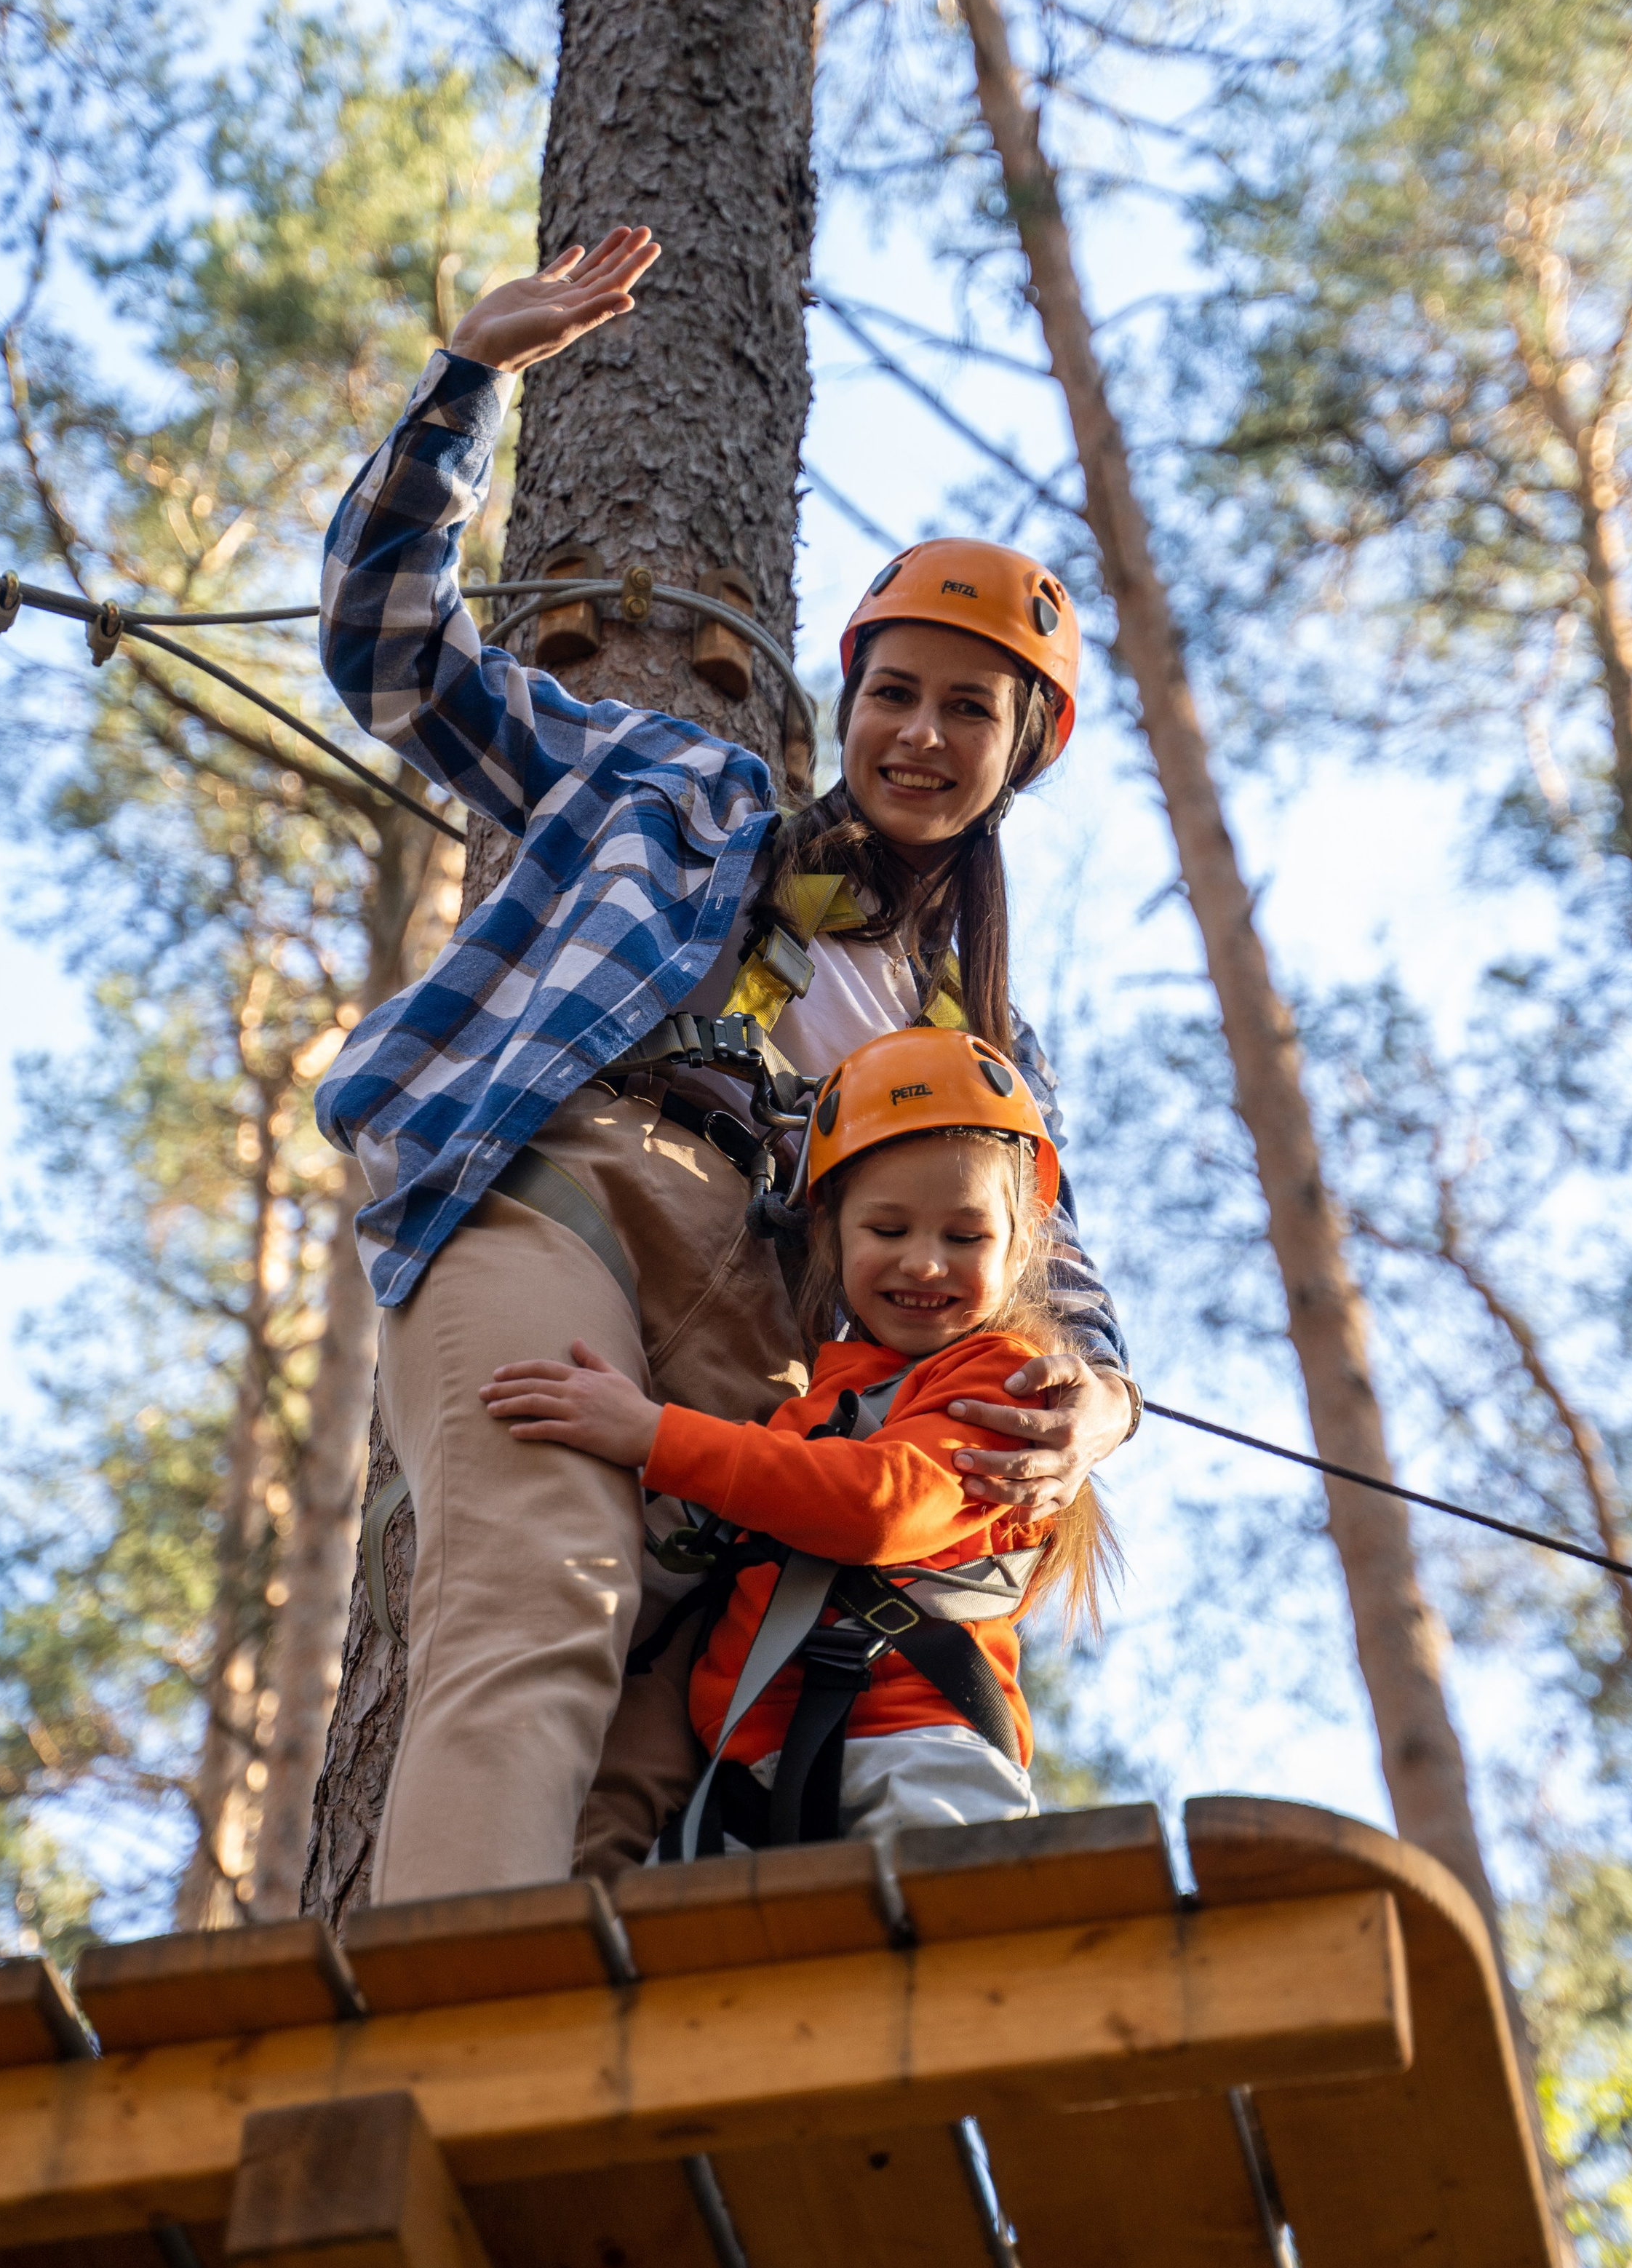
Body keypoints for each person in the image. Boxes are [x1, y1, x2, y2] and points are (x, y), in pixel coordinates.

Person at [315, 224, 1139, 1901]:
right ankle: (439, 2033)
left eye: (968, 712)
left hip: (761, 1344)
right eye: (893, 693)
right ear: (847, 703)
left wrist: (1098, 1411)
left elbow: (1051, 1280)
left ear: (1016, 752)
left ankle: (619, 2092)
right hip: (559, 1199)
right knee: (536, 1585)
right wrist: (468, 383)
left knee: (682, 1721)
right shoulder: (672, 793)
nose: (919, 733)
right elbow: (393, 653)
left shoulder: (971, 1042)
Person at [482, 1029, 1120, 1857]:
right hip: (755, 1770)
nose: (925, 1264)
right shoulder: (817, 1405)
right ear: (829, 1233)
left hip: (916, 1750)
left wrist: (653, 1435)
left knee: (966, 1960)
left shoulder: (1003, 1381)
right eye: (888, 1230)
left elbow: (875, 1507)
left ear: (1018, 1245)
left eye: (965, 1239)